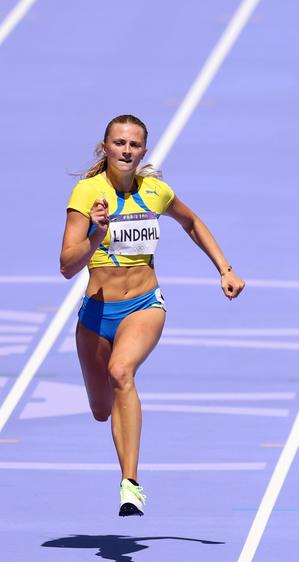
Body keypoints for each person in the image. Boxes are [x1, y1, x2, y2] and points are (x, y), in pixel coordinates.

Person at [59, 114, 244, 516]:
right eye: (119, 143)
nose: (127, 151)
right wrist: (95, 232)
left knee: (121, 372)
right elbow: (67, 266)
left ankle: (130, 484)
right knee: (100, 409)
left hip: (143, 305)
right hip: (95, 314)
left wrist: (224, 268)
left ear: (144, 150)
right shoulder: (87, 194)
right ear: (104, 148)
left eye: (134, 145)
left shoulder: (155, 192)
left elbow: (191, 222)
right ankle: (125, 467)